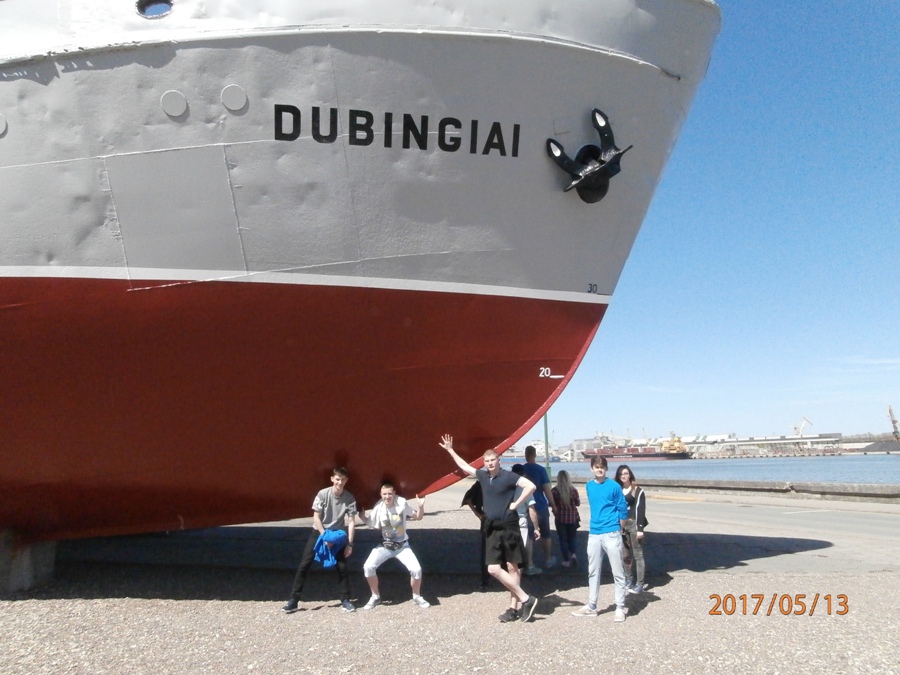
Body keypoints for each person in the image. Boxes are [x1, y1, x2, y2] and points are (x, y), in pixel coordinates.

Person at [440, 434, 540, 623]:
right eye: (487, 461)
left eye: (493, 460)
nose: (490, 463)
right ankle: (527, 599)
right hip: (492, 528)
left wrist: (516, 503)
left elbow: (531, 486)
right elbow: (465, 466)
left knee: (512, 568)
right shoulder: (483, 476)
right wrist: (450, 450)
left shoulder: (508, 476)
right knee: (493, 569)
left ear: (498, 460)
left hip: (509, 527)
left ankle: (513, 608)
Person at [283, 467, 358, 613]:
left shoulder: (349, 498)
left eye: (343, 480)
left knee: (342, 567)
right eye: (337, 479)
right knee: (304, 565)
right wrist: (325, 537)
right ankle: (293, 600)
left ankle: (346, 600)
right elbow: (316, 517)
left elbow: (351, 522)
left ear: (346, 481)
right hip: (319, 532)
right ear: (332, 479)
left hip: (337, 535)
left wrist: (349, 544)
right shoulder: (322, 494)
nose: (340, 482)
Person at [571, 456, 628, 622]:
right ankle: (592, 605)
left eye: (602, 466)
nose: (599, 469)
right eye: (596, 467)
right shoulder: (589, 486)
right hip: (594, 532)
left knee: (618, 571)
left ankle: (620, 606)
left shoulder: (614, 486)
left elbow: (622, 509)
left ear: (606, 468)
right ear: (592, 469)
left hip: (611, 532)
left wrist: (618, 529)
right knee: (593, 570)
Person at [358, 482, 430, 609]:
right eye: (384, 494)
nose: (387, 497)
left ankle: (416, 596)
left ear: (394, 493)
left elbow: (418, 517)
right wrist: (363, 518)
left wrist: (421, 506)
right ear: (381, 494)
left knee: (416, 570)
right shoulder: (379, 507)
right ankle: (375, 596)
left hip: (402, 546)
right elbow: (375, 525)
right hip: (385, 545)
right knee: (368, 567)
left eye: (390, 494)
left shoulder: (401, 503)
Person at [522, 446, 558, 569]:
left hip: (526, 506)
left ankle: (530, 563)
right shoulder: (541, 470)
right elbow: (546, 489)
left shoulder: (522, 469)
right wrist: (553, 505)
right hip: (541, 505)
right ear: (535, 455)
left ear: (525, 455)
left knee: (529, 536)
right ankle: (548, 559)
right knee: (546, 534)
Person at [615, 464, 648, 593]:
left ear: (630, 475)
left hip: (634, 524)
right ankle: (629, 579)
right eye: (621, 474)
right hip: (622, 525)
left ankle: (640, 584)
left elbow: (640, 509)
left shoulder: (637, 490)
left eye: (626, 473)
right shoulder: (617, 490)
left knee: (638, 555)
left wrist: (640, 529)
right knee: (625, 555)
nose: (623, 476)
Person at [460, 480, 491, 590]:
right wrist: (477, 514)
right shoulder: (481, 483)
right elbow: (468, 498)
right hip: (488, 521)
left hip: (493, 520)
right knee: (487, 552)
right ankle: (486, 580)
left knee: (489, 551)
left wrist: (477, 513)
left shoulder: (482, 483)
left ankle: (487, 580)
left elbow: (468, 498)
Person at [510, 464, 542, 569]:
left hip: (506, 520)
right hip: (520, 520)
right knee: (520, 549)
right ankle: (525, 568)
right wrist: (536, 528)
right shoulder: (525, 489)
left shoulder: (506, 486)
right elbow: (532, 510)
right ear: (523, 475)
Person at [551, 470, 581, 568]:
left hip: (560, 518)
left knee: (562, 539)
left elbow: (551, 503)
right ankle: (573, 554)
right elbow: (578, 503)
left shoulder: (554, 491)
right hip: (572, 518)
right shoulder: (573, 490)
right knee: (572, 538)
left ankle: (566, 560)